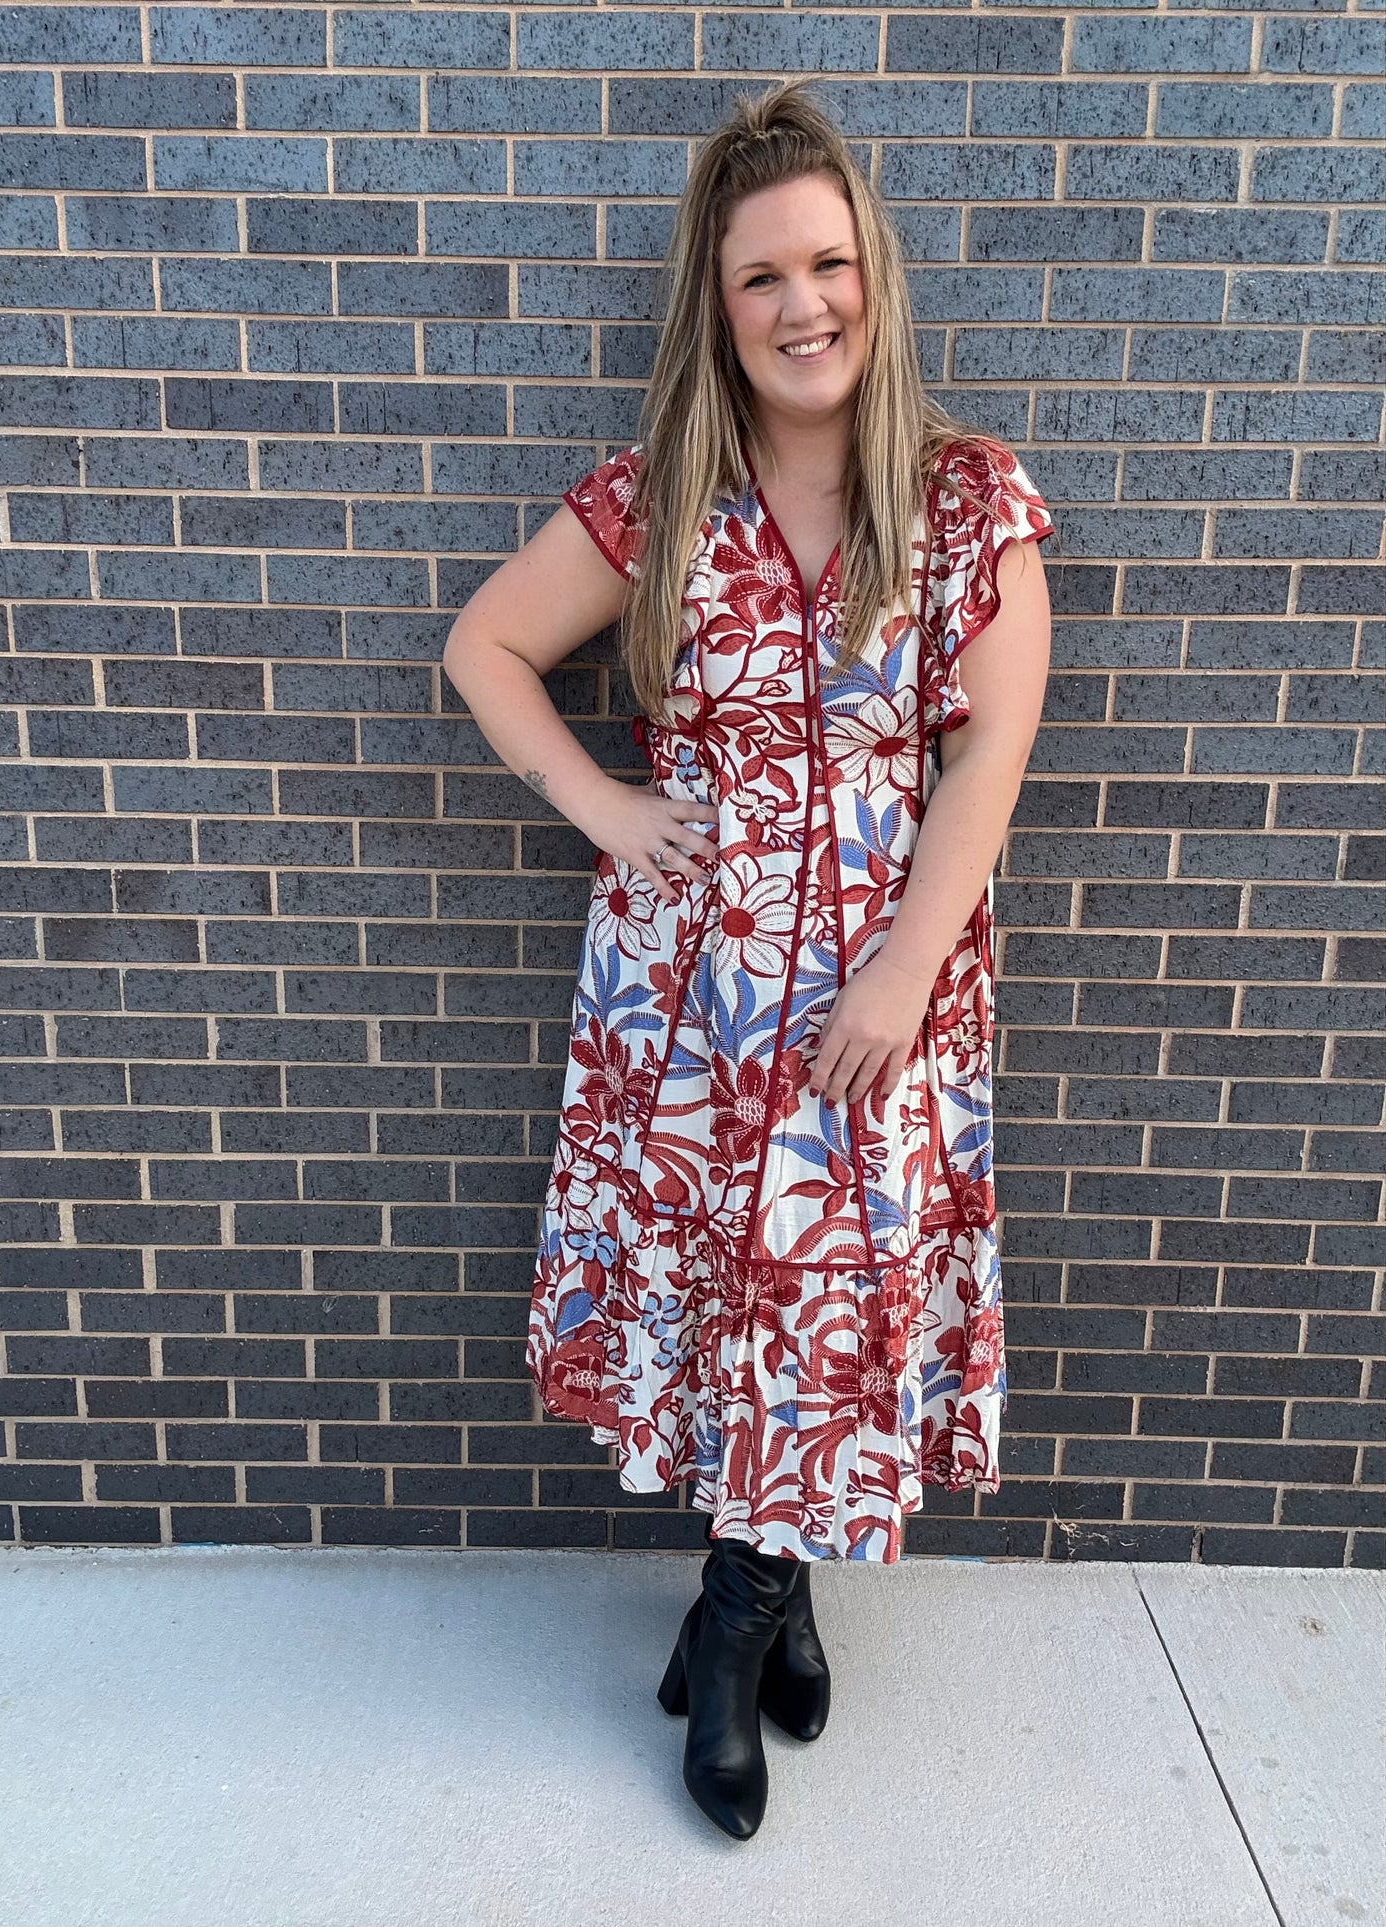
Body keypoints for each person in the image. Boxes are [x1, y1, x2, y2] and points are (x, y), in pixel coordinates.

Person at [442, 76, 1054, 1840]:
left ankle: (730, 1624)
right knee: (734, 1301)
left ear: (874, 276)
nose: (802, 306)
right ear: (718, 310)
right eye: (761, 278)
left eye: (826, 264)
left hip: (882, 992)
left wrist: (897, 976)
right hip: (686, 1000)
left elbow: (986, 756)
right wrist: (602, 805)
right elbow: (484, 648)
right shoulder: (659, 501)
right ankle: (757, 1616)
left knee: (829, 1301)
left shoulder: (964, 499)